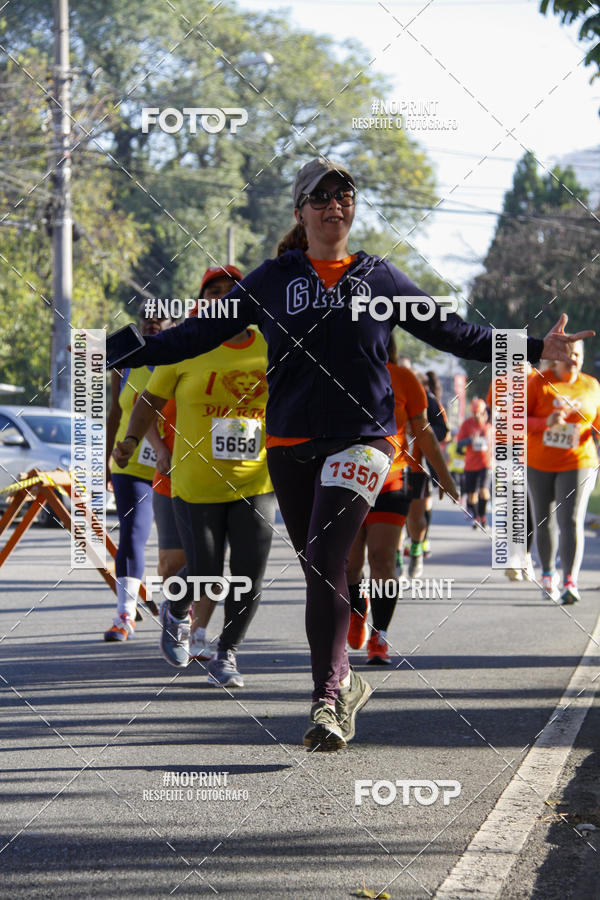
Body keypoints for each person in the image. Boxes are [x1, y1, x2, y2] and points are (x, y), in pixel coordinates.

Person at [108, 156, 593, 751]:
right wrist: (117, 349)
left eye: (344, 196)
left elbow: (454, 332)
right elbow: (194, 334)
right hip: (289, 445)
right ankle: (343, 683)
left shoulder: (380, 279)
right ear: (300, 212)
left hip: (365, 441)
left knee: (326, 556)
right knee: (320, 568)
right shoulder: (272, 280)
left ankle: (327, 699)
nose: (334, 206)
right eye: (321, 197)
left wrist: (537, 346)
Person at [113, 265, 274, 687]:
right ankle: (176, 610)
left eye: (233, 290)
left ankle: (227, 654)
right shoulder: (187, 345)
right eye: (214, 291)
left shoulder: (271, 345)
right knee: (207, 572)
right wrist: (130, 440)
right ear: (202, 301)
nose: (224, 297)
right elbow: (150, 400)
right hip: (195, 483)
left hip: (255, 482)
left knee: (249, 575)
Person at [346, 336, 458, 665]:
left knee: (382, 559)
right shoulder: (336, 373)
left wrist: (444, 475)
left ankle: (379, 635)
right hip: (346, 480)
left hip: (391, 479)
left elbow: (425, 431)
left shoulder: (404, 378)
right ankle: (357, 609)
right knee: (350, 564)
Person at [104, 305, 173, 641]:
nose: (152, 322)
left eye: (160, 318)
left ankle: (180, 613)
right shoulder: (126, 363)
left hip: (173, 463)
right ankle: (125, 615)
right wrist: (105, 458)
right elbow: (116, 413)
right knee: (132, 533)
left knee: (180, 544)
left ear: (174, 324)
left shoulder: (181, 358)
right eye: (147, 317)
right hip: (130, 463)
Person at [526, 341, 600, 604]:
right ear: (557, 357)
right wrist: (544, 422)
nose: (573, 359)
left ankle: (570, 581)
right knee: (544, 520)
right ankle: (548, 574)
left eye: (578, 354)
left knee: (571, 519)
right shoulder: (538, 382)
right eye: (568, 355)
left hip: (578, 460)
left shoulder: (591, 385)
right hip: (539, 462)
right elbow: (515, 419)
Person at [457, 398, 493, 529]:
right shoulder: (466, 425)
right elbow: (459, 444)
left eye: (479, 412)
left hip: (486, 464)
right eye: (474, 413)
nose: (476, 415)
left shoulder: (489, 426)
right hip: (471, 465)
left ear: (484, 412)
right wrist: (469, 440)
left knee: (484, 491)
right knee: (472, 495)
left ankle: (483, 516)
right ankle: (477, 517)